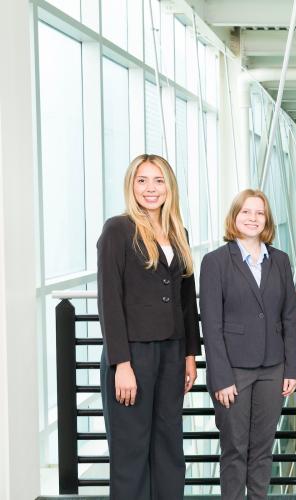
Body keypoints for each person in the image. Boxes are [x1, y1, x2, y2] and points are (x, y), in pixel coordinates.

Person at [97, 154, 201, 499]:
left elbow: (187, 301)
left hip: (172, 352)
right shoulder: (118, 229)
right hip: (133, 355)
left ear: (169, 186)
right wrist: (120, 364)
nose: (150, 188)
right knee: (131, 450)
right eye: (142, 180)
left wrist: (190, 355)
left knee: (169, 445)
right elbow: (109, 300)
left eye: (158, 180)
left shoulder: (178, 233)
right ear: (131, 185)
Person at [200, 189, 296, 499]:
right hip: (234, 372)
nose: (253, 218)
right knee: (234, 449)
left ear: (266, 219)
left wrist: (292, 369)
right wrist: (221, 377)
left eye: (259, 213)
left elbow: (289, 317)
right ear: (235, 216)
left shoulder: (280, 261)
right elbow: (211, 326)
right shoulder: (215, 261)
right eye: (246, 212)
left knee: (262, 449)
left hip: (273, 369)